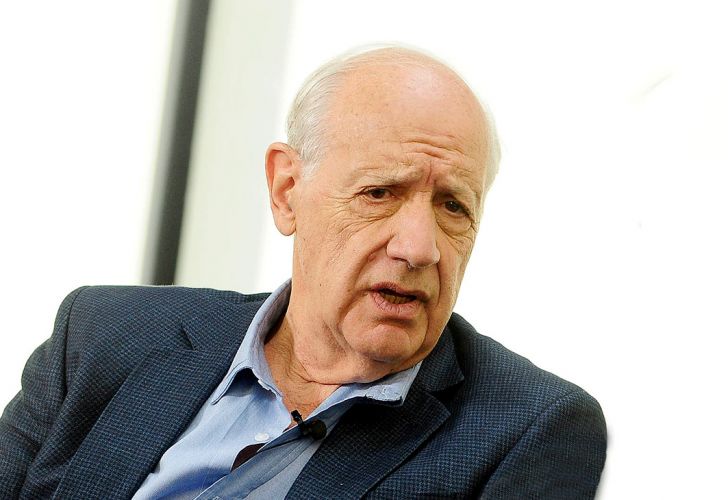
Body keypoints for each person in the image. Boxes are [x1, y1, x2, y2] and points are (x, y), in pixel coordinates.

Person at [0, 46, 607, 499]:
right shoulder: (103, 334)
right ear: (287, 190)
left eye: (454, 206)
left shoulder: (527, 430)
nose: (420, 248)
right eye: (379, 193)